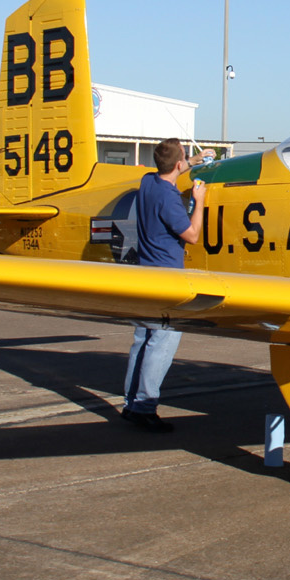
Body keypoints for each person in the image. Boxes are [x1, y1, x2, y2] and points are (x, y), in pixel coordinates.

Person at [121, 138, 206, 433]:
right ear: (178, 164)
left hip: (145, 274)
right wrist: (200, 200)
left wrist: (192, 162)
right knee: (161, 343)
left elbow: (167, 172)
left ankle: (131, 403)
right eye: (184, 159)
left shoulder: (147, 183)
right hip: (167, 278)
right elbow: (192, 234)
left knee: (142, 339)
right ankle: (145, 406)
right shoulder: (169, 199)